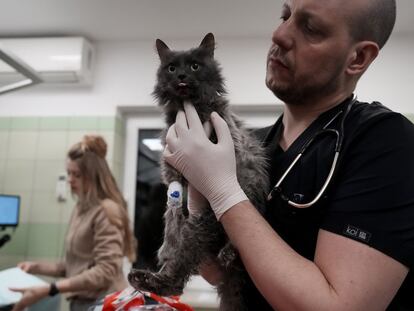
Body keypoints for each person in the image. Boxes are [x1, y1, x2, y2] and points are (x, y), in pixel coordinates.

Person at [163, 0, 414, 310]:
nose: (279, 34)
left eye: (310, 28)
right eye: (285, 16)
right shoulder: (253, 146)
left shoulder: (385, 140)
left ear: (358, 57)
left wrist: (223, 191)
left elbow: (339, 305)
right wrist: (197, 199)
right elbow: (215, 272)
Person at [10, 135, 137, 311]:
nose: (70, 179)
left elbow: (106, 271)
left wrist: (50, 289)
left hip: (105, 303)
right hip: (82, 303)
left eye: (76, 174)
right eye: (68, 172)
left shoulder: (107, 210)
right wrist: (36, 267)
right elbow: (76, 266)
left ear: (93, 176)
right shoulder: (81, 207)